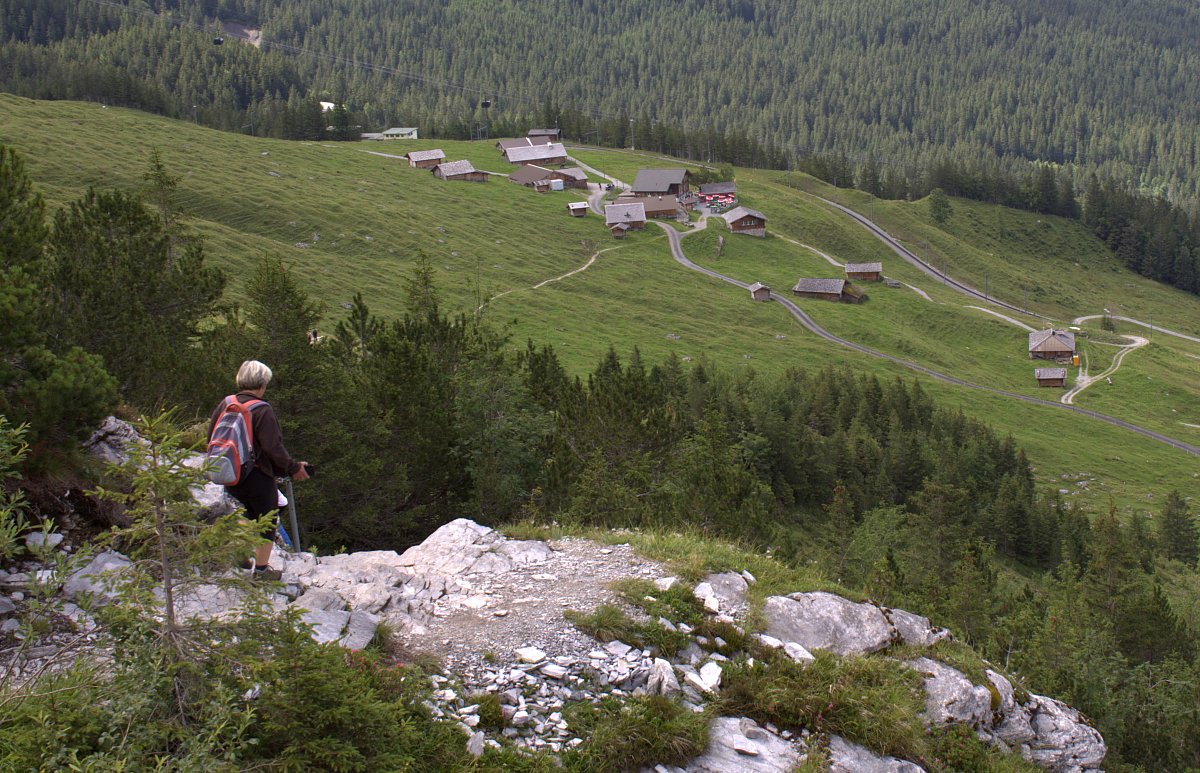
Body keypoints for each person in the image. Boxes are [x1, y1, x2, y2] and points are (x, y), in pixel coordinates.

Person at [209, 360, 309, 580]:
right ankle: (262, 572)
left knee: (242, 514)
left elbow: (211, 436)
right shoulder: (262, 410)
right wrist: (293, 468)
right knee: (268, 520)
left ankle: (242, 563)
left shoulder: (226, 403)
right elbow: (273, 447)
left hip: (231, 472)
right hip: (257, 475)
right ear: (262, 384)